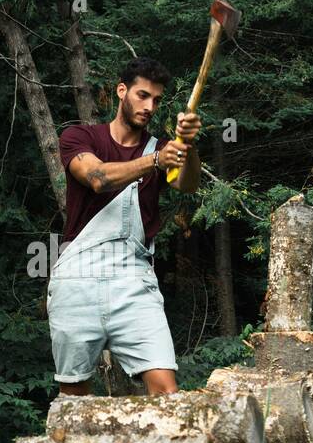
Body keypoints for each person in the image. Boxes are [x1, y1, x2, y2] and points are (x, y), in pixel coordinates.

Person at [47, 56, 201, 396]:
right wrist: (156, 161)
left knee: (166, 392)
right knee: (73, 399)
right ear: (122, 92)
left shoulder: (161, 148)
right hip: (77, 277)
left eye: (157, 100)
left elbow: (187, 184)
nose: (149, 106)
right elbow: (97, 177)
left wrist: (187, 147)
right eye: (142, 95)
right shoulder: (79, 137)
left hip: (133, 280)